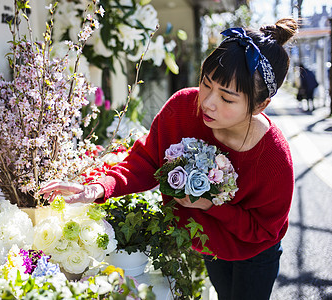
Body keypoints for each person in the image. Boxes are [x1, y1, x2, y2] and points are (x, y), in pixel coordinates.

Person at [40, 18, 297, 300]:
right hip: (210, 243)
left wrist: (211, 206)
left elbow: (262, 230)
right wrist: (99, 187)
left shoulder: (273, 159)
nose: (208, 102)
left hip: (255, 252)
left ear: (260, 105)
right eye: (206, 84)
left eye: (227, 98)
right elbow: (147, 160)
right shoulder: (183, 107)